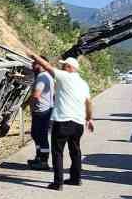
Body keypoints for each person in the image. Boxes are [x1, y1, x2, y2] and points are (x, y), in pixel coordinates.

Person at [30, 53, 94, 189]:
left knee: (57, 152)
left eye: (64, 65)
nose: (62, 67)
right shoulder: (83, 83)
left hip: (63, 121)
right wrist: (89, 118)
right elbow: (88, 102)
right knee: (75, 150)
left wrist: (34, 56)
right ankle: (76, 179)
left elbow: (47, 66)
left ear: (70, 67)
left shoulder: (64, 76)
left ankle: (58, 182)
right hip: (78, 122)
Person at [27, 58, 54, 169]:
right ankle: (39, 157)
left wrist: (28, 104)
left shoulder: (42, 77)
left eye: (34, 64)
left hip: (42, 112)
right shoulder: (48, 76)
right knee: (36, 135)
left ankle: (44, 161)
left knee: (41, 137)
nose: (32, 66)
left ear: (40, 65)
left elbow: (36, 94)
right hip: (44, 110)